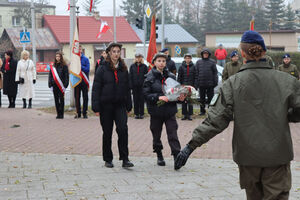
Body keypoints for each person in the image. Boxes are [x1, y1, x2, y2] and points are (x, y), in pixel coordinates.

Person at [175, 30, 300, 200]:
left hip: (248, 156)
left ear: (242, 53)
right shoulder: (287, 81)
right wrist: (287, 114)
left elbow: (216, 120)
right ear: (264, 51)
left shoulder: (233, 83)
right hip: (277, 155)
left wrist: (191, 146)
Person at [92, 42, 134, 168]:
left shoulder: (123, 68)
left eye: (118, 51)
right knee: (107, 132)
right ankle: (108, 158)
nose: (116, 54)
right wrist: (96, 106)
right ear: (109, 53)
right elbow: (96, 88)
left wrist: (129, 105)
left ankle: (125, 158)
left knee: (122, 130)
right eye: (114, 51)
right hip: (106, 106)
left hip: (120, 105)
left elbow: (127, 88)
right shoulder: (102, 68)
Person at [143, 53, 185, 167]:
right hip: (156, 111)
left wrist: (180, 98)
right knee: (156, 134)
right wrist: (158, 97)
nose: (161, 63)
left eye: (163, 61)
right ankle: (159, 154)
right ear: (154, 63)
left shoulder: (171, 76)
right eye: (159, 61)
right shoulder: (149, 77)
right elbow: (146, 95)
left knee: (173, 134)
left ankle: (177, 156)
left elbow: (175, 93)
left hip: (169, 111)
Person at [195, 48, 218, 115]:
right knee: (202, 99)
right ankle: (202, 111)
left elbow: (215, 73)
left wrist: (215, 82)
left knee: (211, 99)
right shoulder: (198, 62)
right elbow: (196, 73)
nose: (205, 55)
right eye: (204, 53)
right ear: (202, 54)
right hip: (201, 84)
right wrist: (196, 83)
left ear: (208, 54)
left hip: (210, 84)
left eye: (206, 53)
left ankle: (211, 111)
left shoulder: (212, 62)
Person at [48, 52, 69, 119]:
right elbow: (50, 76)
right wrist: (50, 84)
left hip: (61, 85)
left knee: (61, 99)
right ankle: (58, 113)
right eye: (56, 56)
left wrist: (65, 85)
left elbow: (66, 76)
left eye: (59, 56)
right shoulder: (53, 66)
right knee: (56, 99)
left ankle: (61, 114)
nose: (57, 58)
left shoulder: (64, 66)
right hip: (54, 85)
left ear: (61, 57)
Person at [177, 53, 196, 120]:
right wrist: (179, 85)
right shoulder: (181, 67)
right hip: (183, 86)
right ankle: (184, 114)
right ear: (184, 59)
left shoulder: (194, 67)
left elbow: (196, 77)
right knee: (183, 101)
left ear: (191, 59)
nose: (188, 59)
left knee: (190, 101)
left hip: (191, 86)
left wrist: (194, 86)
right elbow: (179, 77)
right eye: (186, 58)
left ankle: (190, 115)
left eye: (189, 58)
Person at [129, 53, 148, 119]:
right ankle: (136, 114)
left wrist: (145, 85)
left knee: (141, 100)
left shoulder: (144, 66)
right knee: (135, 100)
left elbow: (146, 77)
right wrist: (131, 85)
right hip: (135, 86)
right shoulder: (132, 66)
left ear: (141, 58)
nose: (138, 59)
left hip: (142, 86)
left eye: (139, 57)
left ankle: (141, 114)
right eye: (136, 57)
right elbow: (130, 76)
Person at [74, 45, 90, 119]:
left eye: (80, 49)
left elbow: (87, 69)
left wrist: (80, 66)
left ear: (82, 50)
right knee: (77, 97)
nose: (79, 50)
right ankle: (78, 112)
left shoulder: (86, 59)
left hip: (84, 81)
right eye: (77, 49)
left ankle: (85, 113)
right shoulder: (74, 59)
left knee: (85, 97)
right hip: (77, 81)